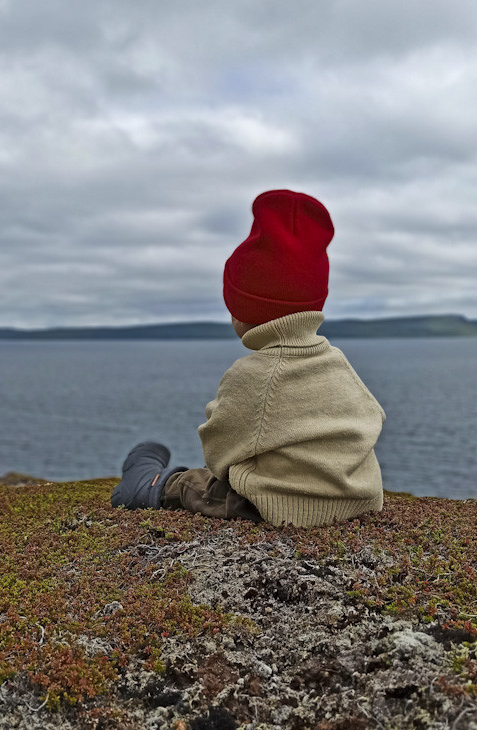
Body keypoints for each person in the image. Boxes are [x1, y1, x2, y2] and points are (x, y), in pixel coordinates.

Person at [111, 189, 386, 527]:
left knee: (199, 485)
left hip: (285, 508)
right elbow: (373, 415)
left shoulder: (255, 375)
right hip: (358, 498)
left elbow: (218, 453)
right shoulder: (336, 361)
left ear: (243, 313)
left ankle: (149, 483)